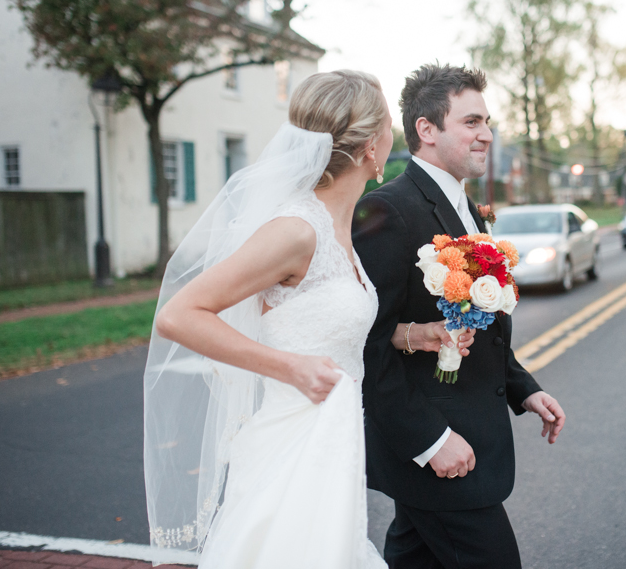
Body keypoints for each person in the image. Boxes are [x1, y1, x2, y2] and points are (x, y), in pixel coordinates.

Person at [142, 69, 473, 568]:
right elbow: (178, 315)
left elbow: (327, 327)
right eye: (387, 124)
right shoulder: (296, 230)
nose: (392, 136)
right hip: (291, 444)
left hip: (335, 442)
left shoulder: (341, 227)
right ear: (369, 148)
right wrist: (289, 368)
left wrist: (413, 335)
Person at [352, 63, 567, 569]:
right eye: (471, 122)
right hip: (439, 449)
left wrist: (522, 386)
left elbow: (479, 328)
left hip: (461, 448)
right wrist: (430, 441)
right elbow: (367, 344)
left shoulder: (467, 210)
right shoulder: (388, 211)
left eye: (487, 122)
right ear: (426, 130)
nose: (486, 135)